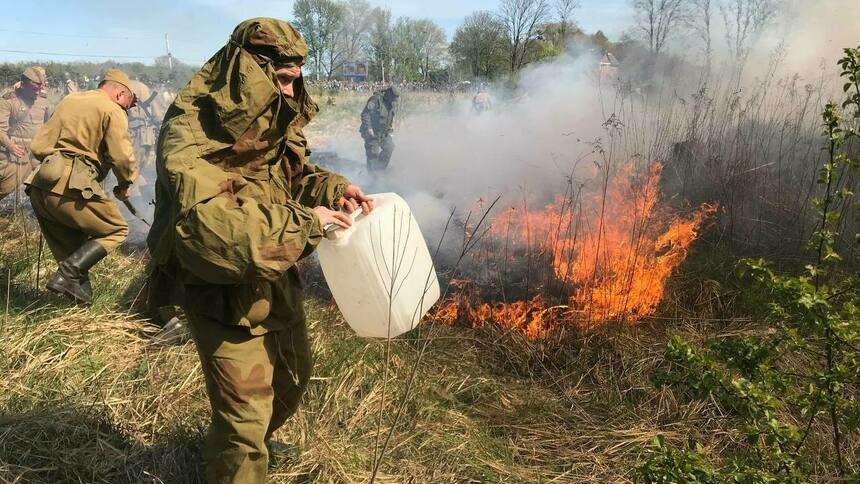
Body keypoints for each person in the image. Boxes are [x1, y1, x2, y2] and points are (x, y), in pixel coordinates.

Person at [145, 18, 373, 483]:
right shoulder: (191, 132)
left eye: (296, 80)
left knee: (291, 381)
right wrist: (305, 224)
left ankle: (237, 455)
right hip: (219, 292)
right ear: (248, 69)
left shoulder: (269, 116)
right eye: (282, 79)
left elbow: (286, 178)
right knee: (244, 423)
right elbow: (209, 229)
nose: (290, 93)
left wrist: (331, 189)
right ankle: (236, 463)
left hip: (273, 276)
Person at [25, 68, 141, 303]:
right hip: (72, 186)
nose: (127, 109)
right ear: (120, 94)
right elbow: (122, 156)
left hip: (40, 186)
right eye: (128, 103)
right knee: (116, 229)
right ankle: (66, 275)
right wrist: (126, 183)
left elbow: (38, 145)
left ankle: (81, 307)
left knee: (74, 257)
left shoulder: (70, 100)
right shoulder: (112, 109)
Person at [0, 67, 51, 201]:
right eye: (34, 89)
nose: (38, 92)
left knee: (47, 188)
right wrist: (10, 146)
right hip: (16, 154)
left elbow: (50, 125)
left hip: (37, 154)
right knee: (5, 187)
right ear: (23, 85)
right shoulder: (8, 101)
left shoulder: (44, 102)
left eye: (40, 89)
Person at [359, 86, 399, 171]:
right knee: (373, 154)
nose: (393, 101)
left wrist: (389, 130)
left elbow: (390, 118)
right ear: (388, 94)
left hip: (383, 133)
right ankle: (372, 177)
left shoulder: (390, 103)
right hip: (372, 132)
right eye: (393, 98)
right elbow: (365, 114)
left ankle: (379, 170)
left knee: (389, 147)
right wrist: (369, 127)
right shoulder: (376, 100)